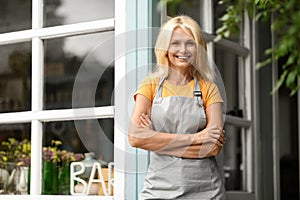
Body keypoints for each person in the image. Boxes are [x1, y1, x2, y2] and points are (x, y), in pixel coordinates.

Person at [129, 15, 226, 199]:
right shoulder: (150, 85)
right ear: (165, 47)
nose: (183, 50)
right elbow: (135, 138)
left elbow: (212, 147)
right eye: (175, 43)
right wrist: (197, 137)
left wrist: (155, 141)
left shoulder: (208, 88)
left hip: (206, 191)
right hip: (158, 189)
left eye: (190, 43)